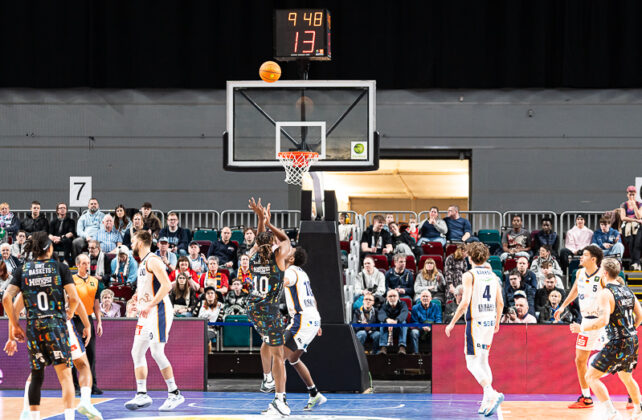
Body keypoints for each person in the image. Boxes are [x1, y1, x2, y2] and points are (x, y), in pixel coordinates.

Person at [1, 231, 84, 420]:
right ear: (49, 248)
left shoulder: (24, 269)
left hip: (34, 327)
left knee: (36, 377)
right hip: (55, 325)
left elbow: (7, 298)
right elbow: (74, 298)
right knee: (65, 377)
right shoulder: (60, 268)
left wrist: (15, 326)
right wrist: (70, 312)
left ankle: (33, 417)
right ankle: (69, 417)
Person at [5, 288, 102, 420]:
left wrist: (11, 337)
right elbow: (75, 300)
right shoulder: (59, 274)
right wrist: (87, 325)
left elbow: (13, 309)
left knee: (36, 373)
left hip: (37, 328)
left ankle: (27, 412)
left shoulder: (28, 276)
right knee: (80, 367)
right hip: (61, 326)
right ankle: (84, 402)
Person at [125, 230, 185, 412]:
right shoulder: (142, 262)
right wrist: (135, 299)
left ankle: (175, 393)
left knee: (157, 352)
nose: (131, 243)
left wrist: (149, 304)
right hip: (147, 312)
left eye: (133, 240)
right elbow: (146, 287)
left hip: (158, 310)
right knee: (136, 352)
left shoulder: (153, 260)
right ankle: (142, 394)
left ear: (142, 242)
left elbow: (167, 285)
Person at [576, 257, 642, 419]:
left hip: (618, 340)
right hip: (632, 339)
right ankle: (638, 410)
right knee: (626, 376)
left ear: (604, 273)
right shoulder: (628, 290)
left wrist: (582, 327)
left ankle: (611, 412)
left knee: (590, 377)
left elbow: (603, 321)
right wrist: (631, 329)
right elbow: (640, 316)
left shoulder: (606, 292)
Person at [445, 242, 504, 417]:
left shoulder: (469, 275)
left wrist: (452, 322)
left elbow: (464, 302)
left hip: (475, 322)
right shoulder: (493, 276)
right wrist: (497, 322)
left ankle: (491, 393)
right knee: (484, 360)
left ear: (469, 257)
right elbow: (500, 302)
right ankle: (487, 399)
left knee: (471, 362)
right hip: (489, 320)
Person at [245, 198, 292, 416]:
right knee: (279, 356)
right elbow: (286, 239)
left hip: (253, 310)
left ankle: (266, 379)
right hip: (270, 311)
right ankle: (280, 400)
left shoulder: (253, 259)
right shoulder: (279, 257)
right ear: (272, 244)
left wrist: (260, 219)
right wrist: (269, 222)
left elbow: (260, 239)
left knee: (267, 343)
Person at [555, 244, 608, 409]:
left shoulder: (603, 275)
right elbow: (575, 290)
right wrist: (563, 306)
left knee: (615, 359)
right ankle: (586, 397)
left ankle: (631, 396)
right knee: (580, 360)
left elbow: (612, 295)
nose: (580, 257)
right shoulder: (579, 273)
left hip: (601, 321)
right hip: (585, 320)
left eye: (584, 255)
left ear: (593, 259)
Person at [281, 247, 327, 411]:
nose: (286, 252)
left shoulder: (291, 272)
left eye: (289, 252)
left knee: (278, 359)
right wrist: (318, 322)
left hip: (302, 320)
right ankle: (314, 394)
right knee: (293, 359)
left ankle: (280, 402)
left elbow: (281, 283)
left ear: (292, 259)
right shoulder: (303, 273)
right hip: (311, 319)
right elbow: (312, 298)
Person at [72, 253, 105, 395]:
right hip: (75, 319)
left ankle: (92, 385)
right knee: (75, 354)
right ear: (78, 265)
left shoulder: (95, 281)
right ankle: (74, 386)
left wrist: (99, 322)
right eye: (84, 263)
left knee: (91, 353)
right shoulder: (71, 280)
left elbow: (96, 304)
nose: (87, 266)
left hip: (89, 319)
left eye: (88, 263)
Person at [192, 286, 224, 353]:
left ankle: (207, 354)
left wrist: (214, 326)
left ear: (215, 295)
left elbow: (220, 320)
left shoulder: (220, 305)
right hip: (198, 328)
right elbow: (194, 316)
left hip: (211, 329)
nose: (210, 295)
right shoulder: (200, 303)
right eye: (208, 293)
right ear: (205, 295)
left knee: (204, 336)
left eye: (212, 293)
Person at [378, 289, 409, 355]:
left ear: (398, 297)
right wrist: (387, 320)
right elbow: (381, 314)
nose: (392, 298)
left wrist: (396, 320)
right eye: (390, 296)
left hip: (398, 327)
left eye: (394, 296)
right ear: (387, 298)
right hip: (387, 327)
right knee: (382, 323)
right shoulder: (384, 305)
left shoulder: (403, 304)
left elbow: (404, 313)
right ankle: (383, 347)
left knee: (403, 322)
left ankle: (402, 347)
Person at [619, 185, 642, 270]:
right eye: (630, 193)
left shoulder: (639, 204)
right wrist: (634, 220)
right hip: (627, 226)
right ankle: (636, 263)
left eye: (633, 193)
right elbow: (623, 217)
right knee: (631, 241)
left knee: (637, 243)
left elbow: (639, 216)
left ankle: (635, 263)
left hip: (637, 227)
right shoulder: (623, 204)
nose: (631, 195)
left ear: (635, 194)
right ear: (627, 194)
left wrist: (634, 205)